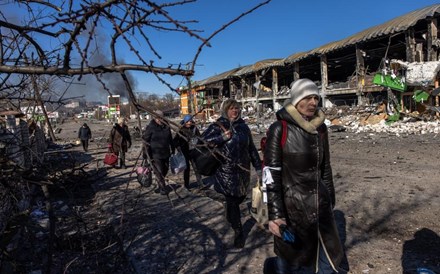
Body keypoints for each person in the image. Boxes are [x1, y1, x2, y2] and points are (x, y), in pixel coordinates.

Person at [263, 79, 345, 274]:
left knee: (326, 263)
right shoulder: (280, 129)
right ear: (296, 100)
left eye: (316, 97)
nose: (313, 102)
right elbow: (271, 174)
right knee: (294, 261)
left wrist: (330, 200)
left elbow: (325, 167)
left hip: (320, 207)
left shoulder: (321, 129)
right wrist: (275, 215)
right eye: (307, 97)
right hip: (293, 210)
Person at [202, 99, 262, 248]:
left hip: (243, 171)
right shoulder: (218, 126)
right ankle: (239, 231)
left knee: (241, 197)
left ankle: (230, 213)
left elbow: (252, 148)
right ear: (225, 110)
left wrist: (258, 167)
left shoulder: (243, 126)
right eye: (231, 109)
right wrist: (221, 138)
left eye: (237, 108)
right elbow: (202, 142)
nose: (234, 111)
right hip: (226, 171)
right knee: (233, 200)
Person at [142, 110, 175, 195]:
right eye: (157, 118)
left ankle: (160, 185)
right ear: (155, 118)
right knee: (159, 171)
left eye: (160, 118)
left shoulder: (166, 126)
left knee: (165, 169)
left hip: (166, 152)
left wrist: (173, 147)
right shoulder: (151, 127)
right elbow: (145, 140)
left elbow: (170, 138)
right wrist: (145, 153)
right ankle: (162, 188)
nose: (159, 120)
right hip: (155, 153)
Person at [173, 114, 201, 189]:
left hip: (193, 151)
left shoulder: (194, 128)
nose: (189, 123)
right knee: (187, 168)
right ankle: (186, 185)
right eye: (188, 122)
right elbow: (175, 140)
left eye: (190, 121)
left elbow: (200, 138)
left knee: (196, 167)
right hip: (184, 151)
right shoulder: (181, 129)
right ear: (185, 122)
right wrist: (178, 147)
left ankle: (200, 183)